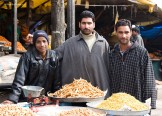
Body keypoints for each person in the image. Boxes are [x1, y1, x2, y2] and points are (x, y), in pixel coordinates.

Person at [55, 10, 110, 97]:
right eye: (84, 23)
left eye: (89, 23)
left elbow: (108, 66)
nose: (86, 26)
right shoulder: (70, 43)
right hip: (76, 95)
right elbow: (53, 56)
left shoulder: (103, 43)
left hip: (99, 93)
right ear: (79, 24)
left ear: (94, 24)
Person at [109, 19, 156, 109]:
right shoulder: (112, 54)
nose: (124, 36)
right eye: (120, 32)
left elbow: (149, 79)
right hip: (116, 105)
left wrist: (150, 104)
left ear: (131, 32)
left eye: (126, 32)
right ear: (116, 32)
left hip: (136, 103)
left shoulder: (141, 52)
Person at [2, 30, 60, 104]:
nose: (42, 44)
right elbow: (19, 80)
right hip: (27, 99)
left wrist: (56, 97)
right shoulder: (27, 57)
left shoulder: (54, 56)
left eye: (44, 41)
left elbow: (57, 81)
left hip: (46, 99)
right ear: (34, 43)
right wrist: (12, 99)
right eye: (38, 42)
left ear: (48, 42)